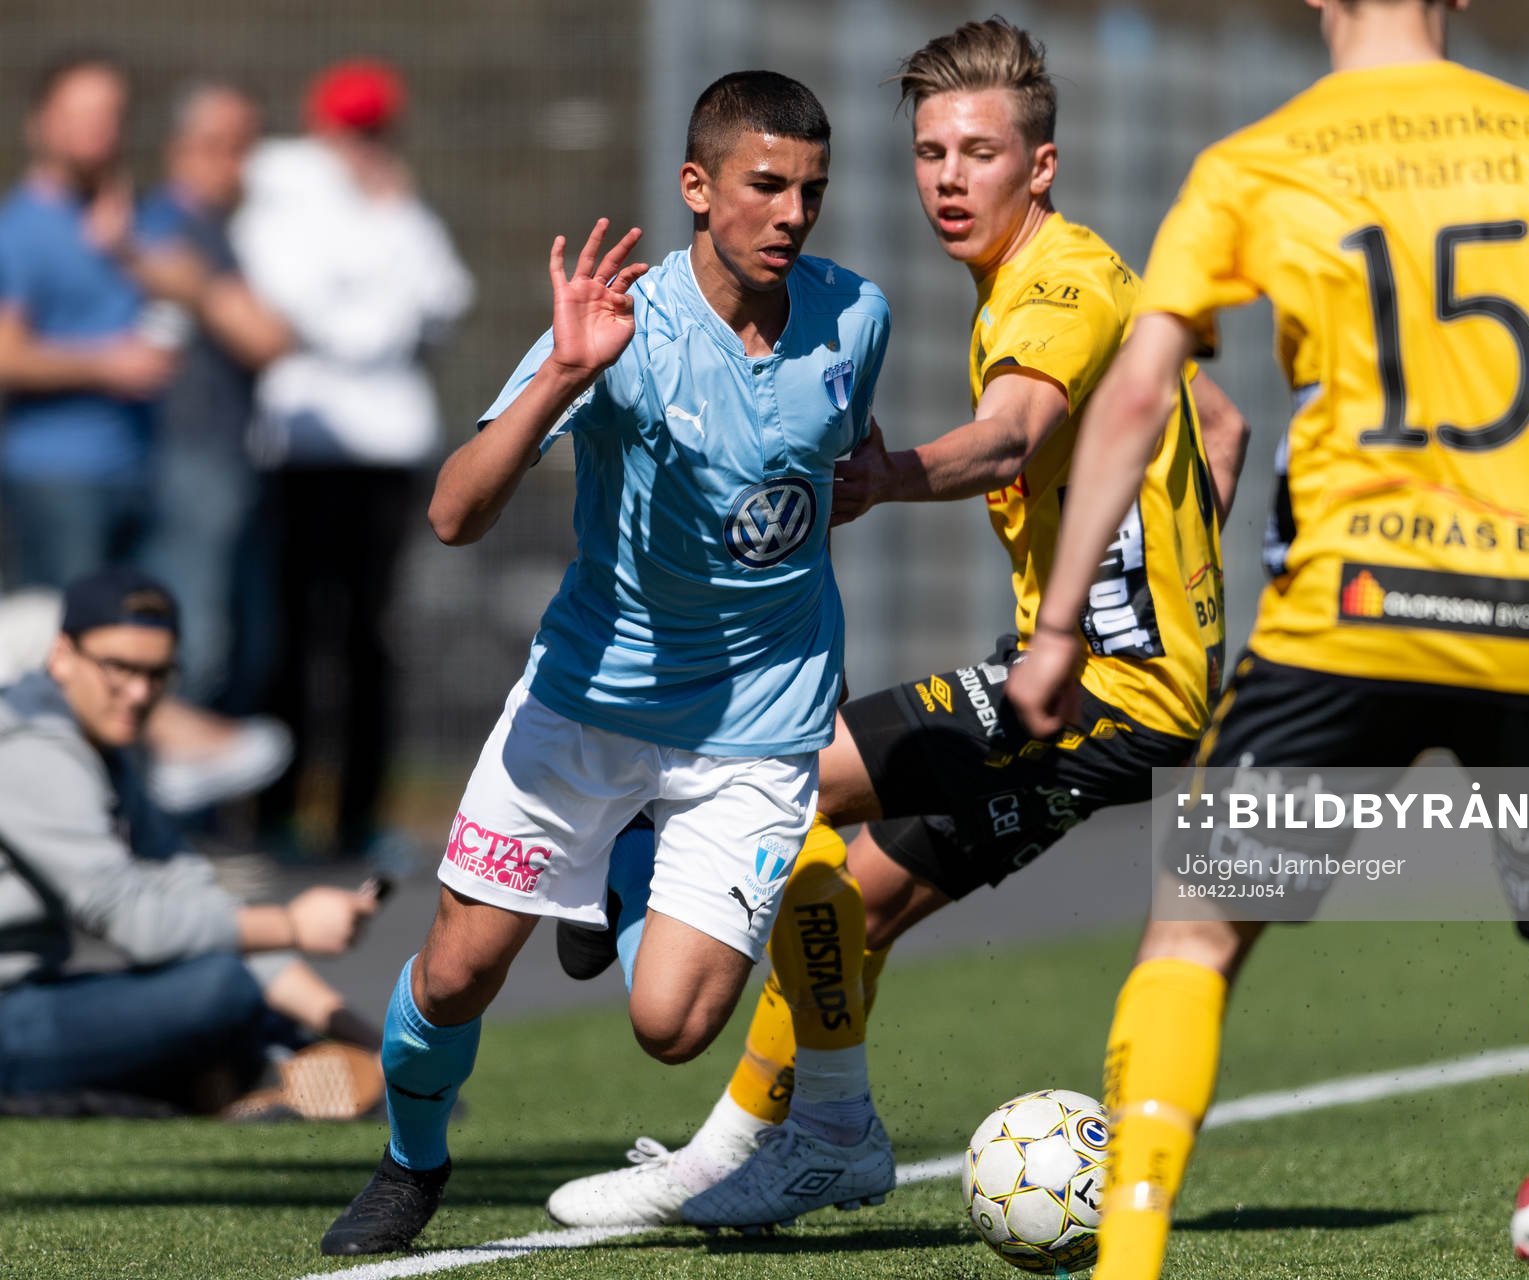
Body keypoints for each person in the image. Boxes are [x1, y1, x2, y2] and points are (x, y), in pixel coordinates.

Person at [1006, 2, 1529, 1277]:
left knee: (1197, 932)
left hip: (1350, 612)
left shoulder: (1252, 161)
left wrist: (1059, 623)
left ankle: (1130, 1255)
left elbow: (1134, 394)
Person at [542, 17, 1249, 1234]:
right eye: (929, 152)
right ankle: (763, 1149)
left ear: (1042, 167)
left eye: (980, 152)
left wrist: (887, 477)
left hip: (1106, 690)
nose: (948, 178)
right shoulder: (1078, 280)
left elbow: (1015, 432)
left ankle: (767, 1082)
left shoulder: (1060, 286)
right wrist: (1159, 572)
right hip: (1123, 697)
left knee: (787, 785)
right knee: (854, 896)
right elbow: (1220, 428)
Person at [317, 70, 890, 1257]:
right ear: (697, 187)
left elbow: (833, 465)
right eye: (765, 185)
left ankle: (626, 872)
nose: (792, 213)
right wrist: (567, 376)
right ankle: (411, 1162)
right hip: (588, 704)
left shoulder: (857, 314)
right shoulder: (618, 321)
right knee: (458, 975)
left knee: (674, 1028)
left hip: (756, 722)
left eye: (811, 191)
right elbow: (453, 512)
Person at [0, 567, 382, 1118]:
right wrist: (294, 925)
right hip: (11, 1013)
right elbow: (138, 922)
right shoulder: (27, 745)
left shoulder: (99, 737)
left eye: (157, 674)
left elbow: (191, 895)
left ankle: (248, 1070)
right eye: (119, 668)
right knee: (218, 991)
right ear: (61, 655)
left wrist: (361, 1035)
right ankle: (244, 1074)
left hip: (29, 997)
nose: (139, 692)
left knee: (229, 987)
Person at [231, 59, 473, 859]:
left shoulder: (395, 204)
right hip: (304, 448)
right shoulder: (281, 190)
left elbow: (446, 296)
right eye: (354, 127)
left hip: (385, 449)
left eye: (377, 128)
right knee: (294, 637)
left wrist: (387, 249)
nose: (367, 143)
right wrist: (382, 311)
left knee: (371, 640)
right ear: (324, 124)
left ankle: (358, 819)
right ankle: (276, 817)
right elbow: (306, 310)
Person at [138, 81, 295, 715]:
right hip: (188, 451)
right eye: (219, 146)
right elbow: (263, 337)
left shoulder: (217, 232)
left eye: (244, 147)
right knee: (194, 630)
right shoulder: (167, 226)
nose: (235, 164)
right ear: (180, 149)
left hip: (222, 451)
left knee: (234, 632)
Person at [0, 52, 175, 590]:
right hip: (56, 475)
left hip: (144, 469)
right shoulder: (19, 229)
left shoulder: (140, 222)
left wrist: (131, 251)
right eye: (80, 113)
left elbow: (199, 291)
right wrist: (108, 365)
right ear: (41, 123)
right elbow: (7, 355)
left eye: (110, 113)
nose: (98, 129)